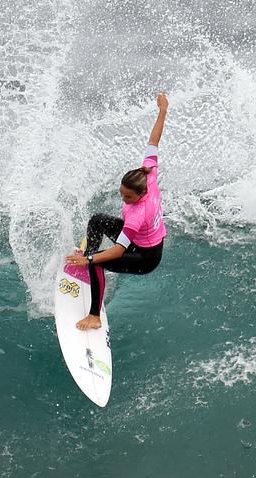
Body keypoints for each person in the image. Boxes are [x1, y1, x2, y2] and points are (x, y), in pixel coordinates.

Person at [65, 92, 168, 330]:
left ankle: (94, 317)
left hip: (146, 257)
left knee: (96, 263)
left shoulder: (136, 214)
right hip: (143, 241)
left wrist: (89, 259)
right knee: (97, 220)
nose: (123, 198)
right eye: (122, 193)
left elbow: (118, 250)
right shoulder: (148, 174)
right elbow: (154, 141)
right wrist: (162, 110)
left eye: (128, 197)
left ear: (140, 194)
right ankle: (86, 259)